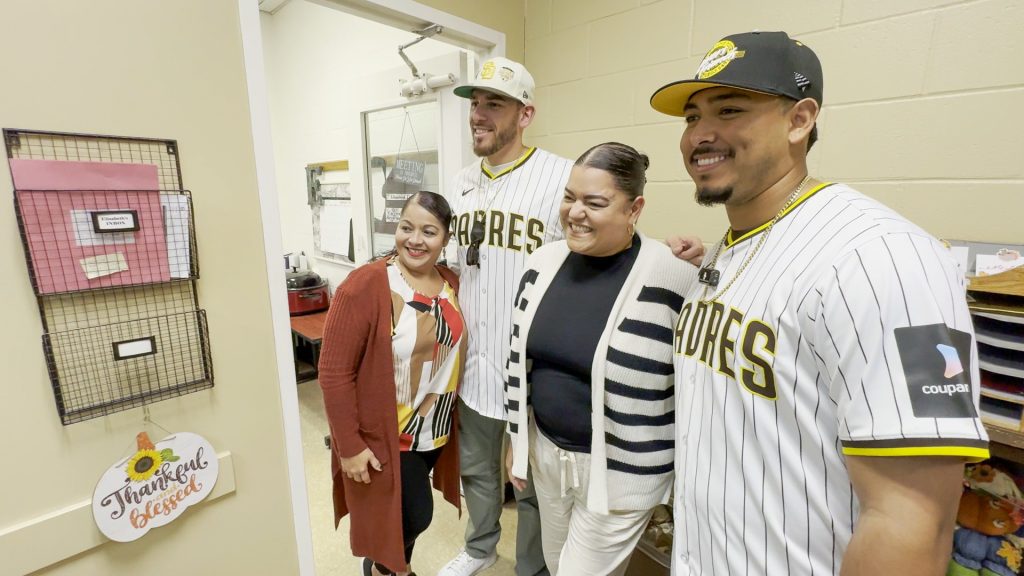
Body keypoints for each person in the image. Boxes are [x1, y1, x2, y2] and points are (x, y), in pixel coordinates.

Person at [650, 31, 989, 575]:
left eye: (729, 109)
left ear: (800, 120)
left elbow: (912, 524)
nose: (699, 135)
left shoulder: (886, 259)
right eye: (691, 118)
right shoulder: (730, 248)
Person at [441, 56, 704, 576]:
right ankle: (480, 548)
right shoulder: (467, 192)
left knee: (556, 544)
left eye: (494, 103)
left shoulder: (564, 179)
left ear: (525, 113)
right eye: (475, 103)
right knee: (486, 476)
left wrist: (696, 254)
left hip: (608, 455)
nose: (576, 209)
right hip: (500, 381)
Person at [504, 142, 698, 575]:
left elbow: (696, 381)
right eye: (570, 197)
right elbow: (517, 362)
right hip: (547, 454)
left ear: (634, 209)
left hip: (622, 471)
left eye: (594, 202)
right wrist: (517, 442)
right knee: (557, 565)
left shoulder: (673, 275)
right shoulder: (541, 264)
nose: (574, 212)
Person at [318, 191, 466, 576]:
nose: (415, 240)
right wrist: (348, 446)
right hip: (388, 434)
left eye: (429, 231)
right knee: (415, 515)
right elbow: (334, 373)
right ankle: (388, 570)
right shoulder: (366, 285)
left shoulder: (450, 281)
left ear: (445, 239)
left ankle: (394, 566)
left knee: (399, 517)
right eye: (406, 227)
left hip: (433, 430)